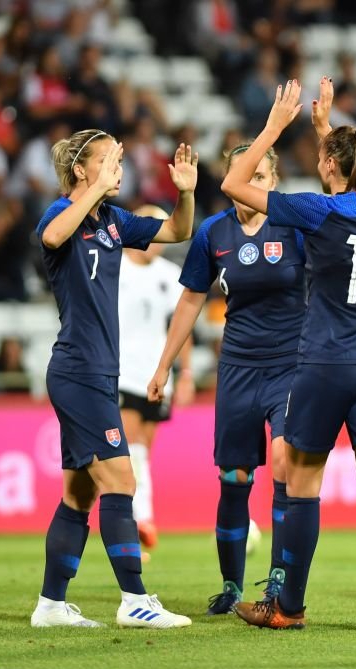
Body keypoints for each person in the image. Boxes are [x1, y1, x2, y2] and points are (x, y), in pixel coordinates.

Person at [226, 78, 356, 633]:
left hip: (326, 364)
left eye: (323, 156)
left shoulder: (313, 212)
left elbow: (234, 182)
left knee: (301, 485)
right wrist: (329, 133)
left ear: (329, 165)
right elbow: (352, 182)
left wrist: (275, 127)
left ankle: (288, 607)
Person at [29, 127, 198, 630]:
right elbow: (53, 237)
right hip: (78, 370)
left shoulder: (113, 222)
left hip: (99, 372)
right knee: (122, 479)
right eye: (109, 162)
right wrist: (94, 190)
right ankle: (134, 598)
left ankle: (51, 605)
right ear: (81, 170)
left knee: (79, 494)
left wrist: (185, 192)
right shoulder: (60, 213)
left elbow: (177, 232)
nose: (119, 170)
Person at [147, 143, 306, 615]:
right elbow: (191, 302)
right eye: (244, 175)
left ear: (274, 181)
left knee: (284, 464)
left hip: (290, 367)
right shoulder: (213, 233)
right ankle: (232, 586)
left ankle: (278, 582)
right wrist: (164, 366)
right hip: (238, 368)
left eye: (260, 176)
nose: (251, 184)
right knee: (234, 477)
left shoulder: (295, 225)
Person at [118, 204, 195, 559]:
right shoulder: (114, 265)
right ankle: (140, 521)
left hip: (156, 375)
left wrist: (185, 373)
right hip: (121, 373)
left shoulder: (169, 274)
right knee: (129, 450)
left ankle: (130, 521)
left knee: (141, 453)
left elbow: (182, 328)